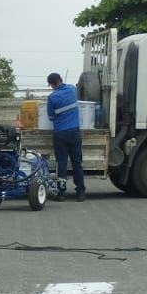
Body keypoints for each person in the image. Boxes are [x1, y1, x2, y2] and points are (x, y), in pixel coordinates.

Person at [46, 71, 85, 201]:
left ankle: (61, 193)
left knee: (61, 164)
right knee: (77, 163)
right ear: (61, 79)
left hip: (60, 134)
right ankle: (80, 193)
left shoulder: (52, 97)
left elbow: (51, 117)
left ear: (52, 84)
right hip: (74, 132)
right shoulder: (72, 89)